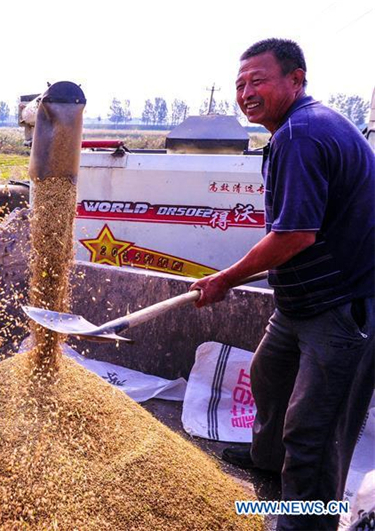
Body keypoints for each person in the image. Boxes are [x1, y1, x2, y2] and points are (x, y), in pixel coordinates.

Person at [190, 38, 374, 531]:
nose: (246, 92)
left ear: (296, 79)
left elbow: (294, 234)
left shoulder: (302, 135)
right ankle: (269, 462)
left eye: (259, 80)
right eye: (240, 83)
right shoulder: (294, 130)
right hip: (300, 301)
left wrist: (226, 279)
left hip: (339, 305)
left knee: (312, 430)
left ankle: (304, 522)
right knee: (270, 379)